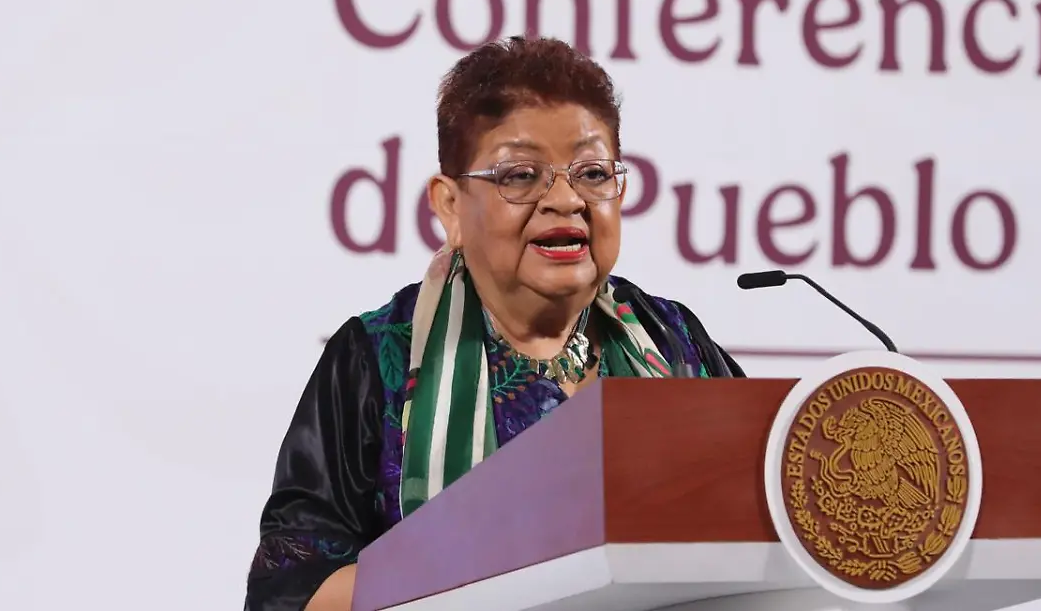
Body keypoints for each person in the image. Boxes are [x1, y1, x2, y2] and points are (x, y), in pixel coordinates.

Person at [244, 35, 745, 611]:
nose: (566, 200)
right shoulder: (377, 360)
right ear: (450, 206)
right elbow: (292, 592)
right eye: (521, 175)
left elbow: (765, 532)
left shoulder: (673, 341)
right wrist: (505, 564)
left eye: (591, 172)